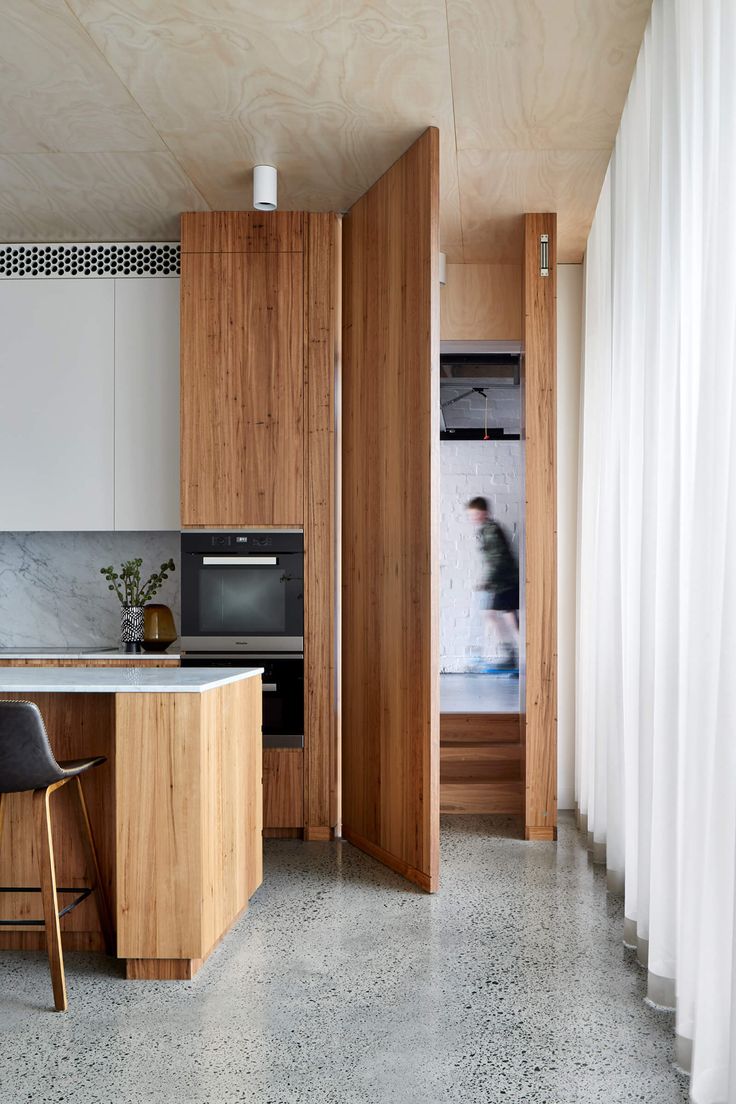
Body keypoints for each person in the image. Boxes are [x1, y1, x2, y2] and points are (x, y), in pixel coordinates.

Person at [466, 496, 519, 672]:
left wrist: (488, 580)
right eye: (471, 515)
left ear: (485, 513)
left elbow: (498, 559)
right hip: (503, 581)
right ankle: (515, 655)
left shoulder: (491, 531)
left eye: (476, 514)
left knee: (502, 617)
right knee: (503, 616)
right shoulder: (487, 530)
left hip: (505, 581)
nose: (473, 518)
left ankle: (515, 656)